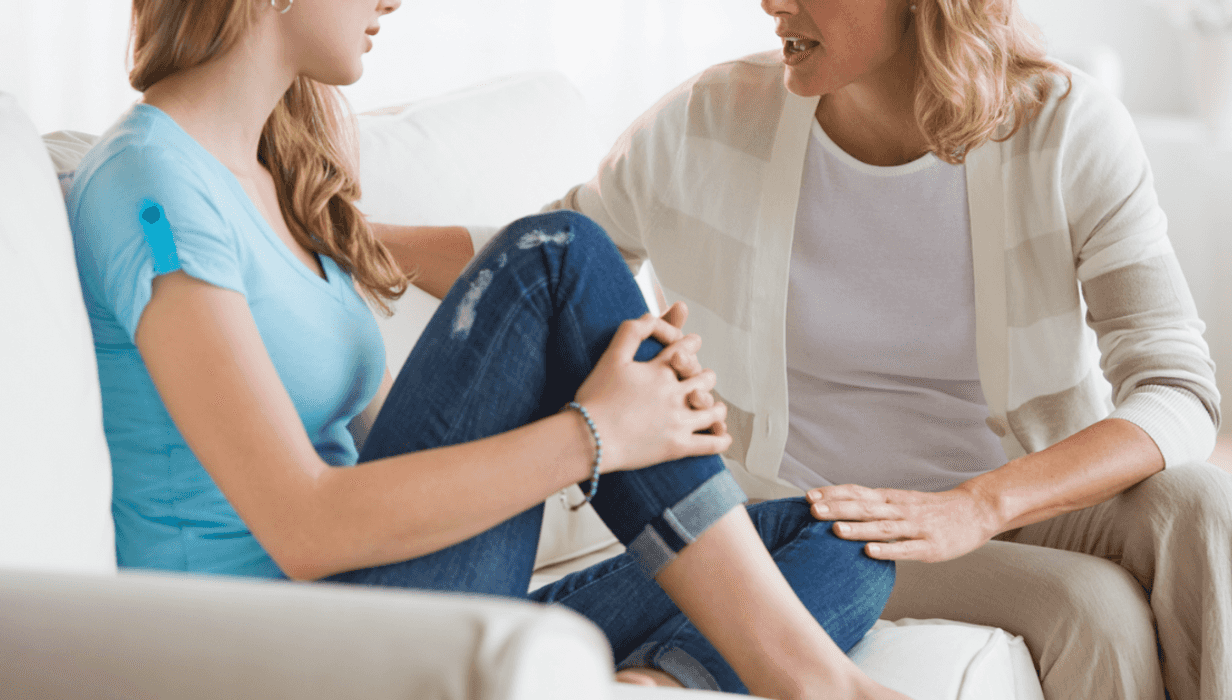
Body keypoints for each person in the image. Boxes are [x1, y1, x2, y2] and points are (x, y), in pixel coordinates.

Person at [64, 0, 912, 697]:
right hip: (285, 658)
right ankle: (814, 685)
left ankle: (655, 683)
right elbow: (303, 527)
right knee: (557, 254)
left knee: (839, 534)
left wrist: (624, 411)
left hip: (377, 609)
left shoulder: (278, 180)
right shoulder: (152, 183)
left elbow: (395, 457)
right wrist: (597, 434)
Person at [549, 1, 1228, 699]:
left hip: (1013, 498)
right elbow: (546, 261)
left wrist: (980, 505)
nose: (771, 3)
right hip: (831, 526)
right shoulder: (709, 121)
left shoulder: (1066, 128)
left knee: (1204, 500)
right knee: (1096, 611)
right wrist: (422, 249)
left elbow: (1176, 387)